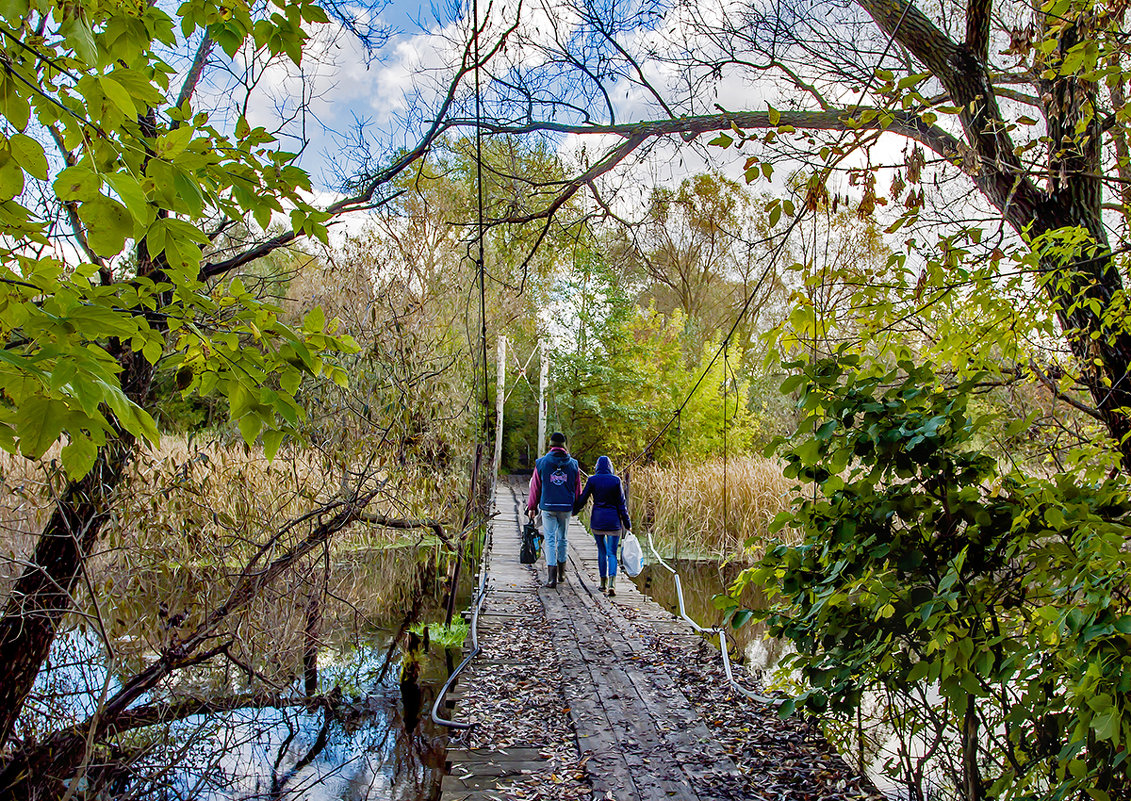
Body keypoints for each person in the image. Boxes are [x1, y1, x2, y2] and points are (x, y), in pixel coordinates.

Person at [527, 432, 581, 588]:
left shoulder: (541, 463)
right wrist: (576, 506)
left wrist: (532, 507)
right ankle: (562, 573)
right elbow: (577, 488)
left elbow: (535, 487)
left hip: (548, 507)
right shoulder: (573, 464)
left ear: (550, 446)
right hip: (565, 507)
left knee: (550, 540)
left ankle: (551, 578)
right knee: (563, 538)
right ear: (564, 446)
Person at [573, 455, 631, 597]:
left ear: (597, 467)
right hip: (614, 523)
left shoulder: (592, 480)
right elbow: (622, 505)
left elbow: (583, 499)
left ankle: (602, 583)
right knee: (612, 553)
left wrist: (574, 511)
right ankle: (612, 583)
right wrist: (627, 523)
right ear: (610, 467)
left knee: (601, 551)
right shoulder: (616, 481)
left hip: (597, 521)